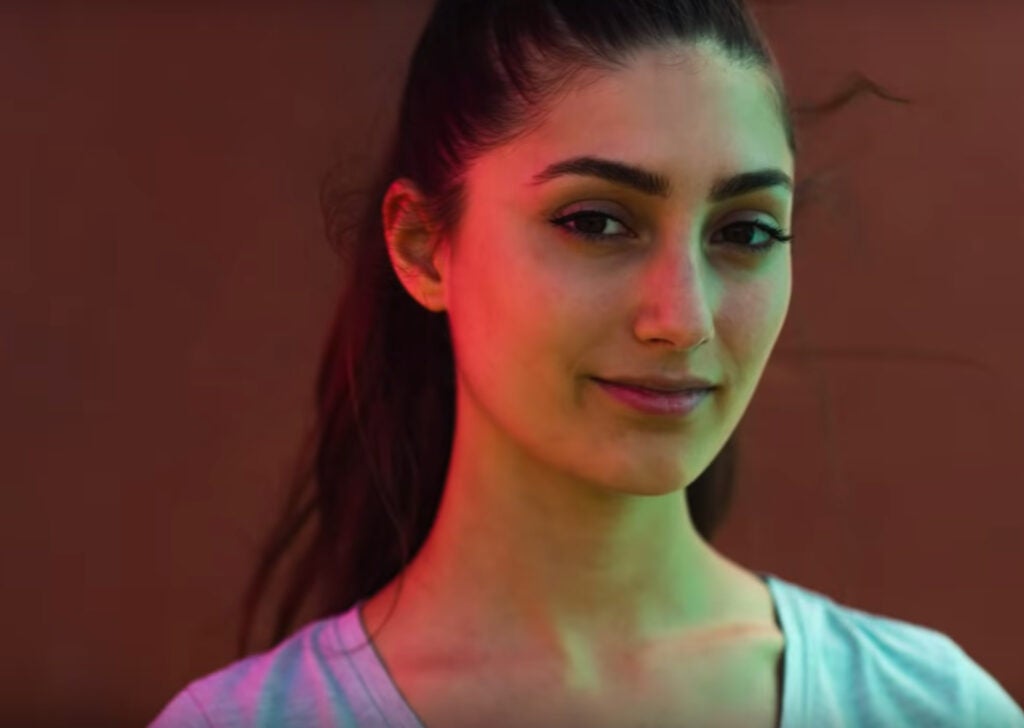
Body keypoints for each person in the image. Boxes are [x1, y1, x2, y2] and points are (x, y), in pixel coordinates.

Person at [151, 1, 1024, 726]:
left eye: (745, 232)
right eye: (597, 222)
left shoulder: (930, 708)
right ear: (422, 247)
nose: (683, 319)